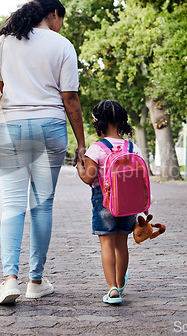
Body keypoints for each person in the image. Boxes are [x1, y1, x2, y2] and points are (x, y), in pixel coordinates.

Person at [0, 0, 85, 305]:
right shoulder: (62, 46)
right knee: (42, 206)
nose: (61, 26)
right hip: (50, 127)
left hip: (12, 127)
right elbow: (69, 98)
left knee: (12, 204)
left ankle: (8, 281)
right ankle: (35, 280)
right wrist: (81, 142)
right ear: (54, 14)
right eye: (62, 19)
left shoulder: (4, 42)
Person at [76, 100, 142, 304]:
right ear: (122, 122)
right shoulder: (132, 147)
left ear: (98, 124)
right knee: (122, 243)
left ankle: (112, 289)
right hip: (128, 203)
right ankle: (121, 284)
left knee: (107, 244)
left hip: (103, 200)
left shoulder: (97, 148)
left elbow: (88, 177)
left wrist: (79, 165)